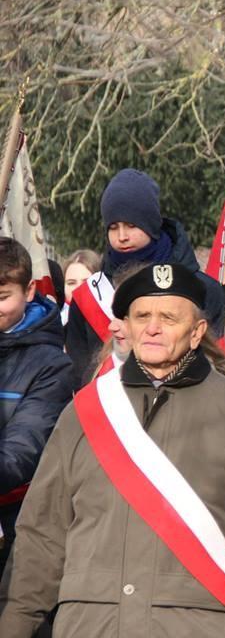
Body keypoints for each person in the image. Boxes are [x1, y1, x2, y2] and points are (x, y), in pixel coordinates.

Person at [0, 262, 225, 637]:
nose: (153, 327)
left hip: (195, 624)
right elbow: (43, 530)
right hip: (92, 624)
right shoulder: (86, 410)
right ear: (126, 326)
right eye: (142, 316)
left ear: (197, 332)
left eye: (169, 318)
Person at [65, 168, 225, 384]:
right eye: (113, 227)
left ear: (151, 224)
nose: (122, 236)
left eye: (131, 225)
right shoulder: (88, 297)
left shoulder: (204, 289)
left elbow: (217, 359)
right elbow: (81, 373)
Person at [0, 238, 73, 573]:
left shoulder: (50, 365)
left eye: (2, 297)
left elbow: (23, 449)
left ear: (29, 291)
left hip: (16, 524)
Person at [60, 249, 101, 324]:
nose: (78, 288)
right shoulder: (56, 323)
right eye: (71, 283)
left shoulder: (112, 320)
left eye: (86, 282)